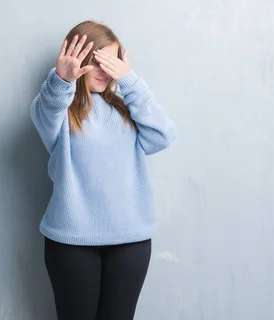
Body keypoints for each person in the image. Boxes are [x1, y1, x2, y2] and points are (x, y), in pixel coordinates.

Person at [29, 20, 177, 320]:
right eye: (95, 60)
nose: (103, 70)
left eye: (110, 61)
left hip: (130, 242)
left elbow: (163, 135)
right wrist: (61, 79)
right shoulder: (59, 112)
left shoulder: (126, 109)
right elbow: (48, 107)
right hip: (71, 243)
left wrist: (130, 80)